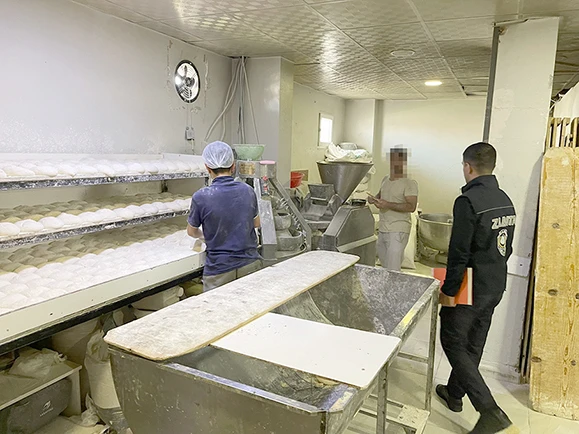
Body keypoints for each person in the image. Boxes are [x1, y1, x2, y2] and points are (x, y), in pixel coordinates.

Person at [437, 142, 516, 434]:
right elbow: (506, 248)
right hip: (495, 284)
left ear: (467, 167)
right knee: (473, 344)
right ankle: (454, 393)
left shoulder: (467, 201)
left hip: (471, 286)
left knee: (453, 342)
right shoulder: (504, 199)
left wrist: (449, 290)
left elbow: (459, 252)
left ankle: (490, 411)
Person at [187, 141, 261, 292]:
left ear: (207, 168)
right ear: (233, 166)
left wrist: (205, 236)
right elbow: (256, 223)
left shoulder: (201, 196)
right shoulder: (248, 190)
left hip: (219, 269)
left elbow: (191, 231)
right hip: (249, 264)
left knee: (219, 307)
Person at [368, 147, 418, 271]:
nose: (395, 163)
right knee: (385, 266)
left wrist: (388, 205)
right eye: (392, 160)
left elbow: (411, 207)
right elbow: (380, 196)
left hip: (398, 230)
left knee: (393, 269)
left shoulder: (409, 182)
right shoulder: (386, 179)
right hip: (383, 228)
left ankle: (396, 284)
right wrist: (374, 199)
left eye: (398, 160)